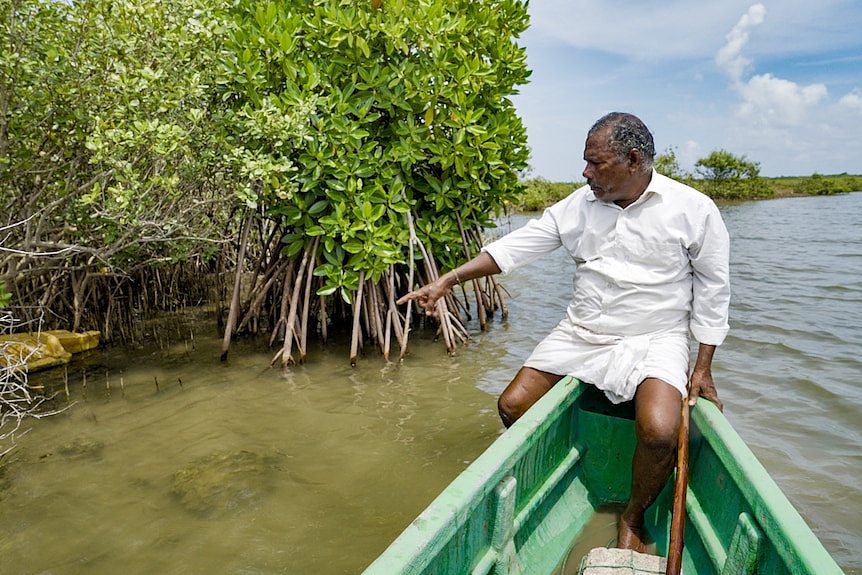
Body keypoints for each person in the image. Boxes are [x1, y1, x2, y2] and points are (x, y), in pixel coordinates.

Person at [396, 112, 730, 552]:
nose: (585, 173)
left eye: (595, 163)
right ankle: (559, 468)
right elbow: (516, 247)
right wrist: (448, 280)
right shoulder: (578, 205)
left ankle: (634, 516)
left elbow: (713, 288)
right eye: (585, 162)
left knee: (660, 432)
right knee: (512, 404)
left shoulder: (692, 208)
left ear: (633, 160)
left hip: (655, 336)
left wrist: (702, 366)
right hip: (582, 331)